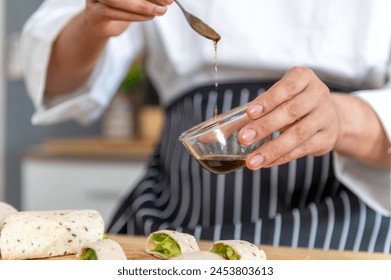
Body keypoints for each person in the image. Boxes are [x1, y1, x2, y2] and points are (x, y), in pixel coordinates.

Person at [21, 0, 391, 253]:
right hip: (180, 207)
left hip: (347, 212)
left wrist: (341, 119)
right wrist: (94, 21)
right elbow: (56, 82)